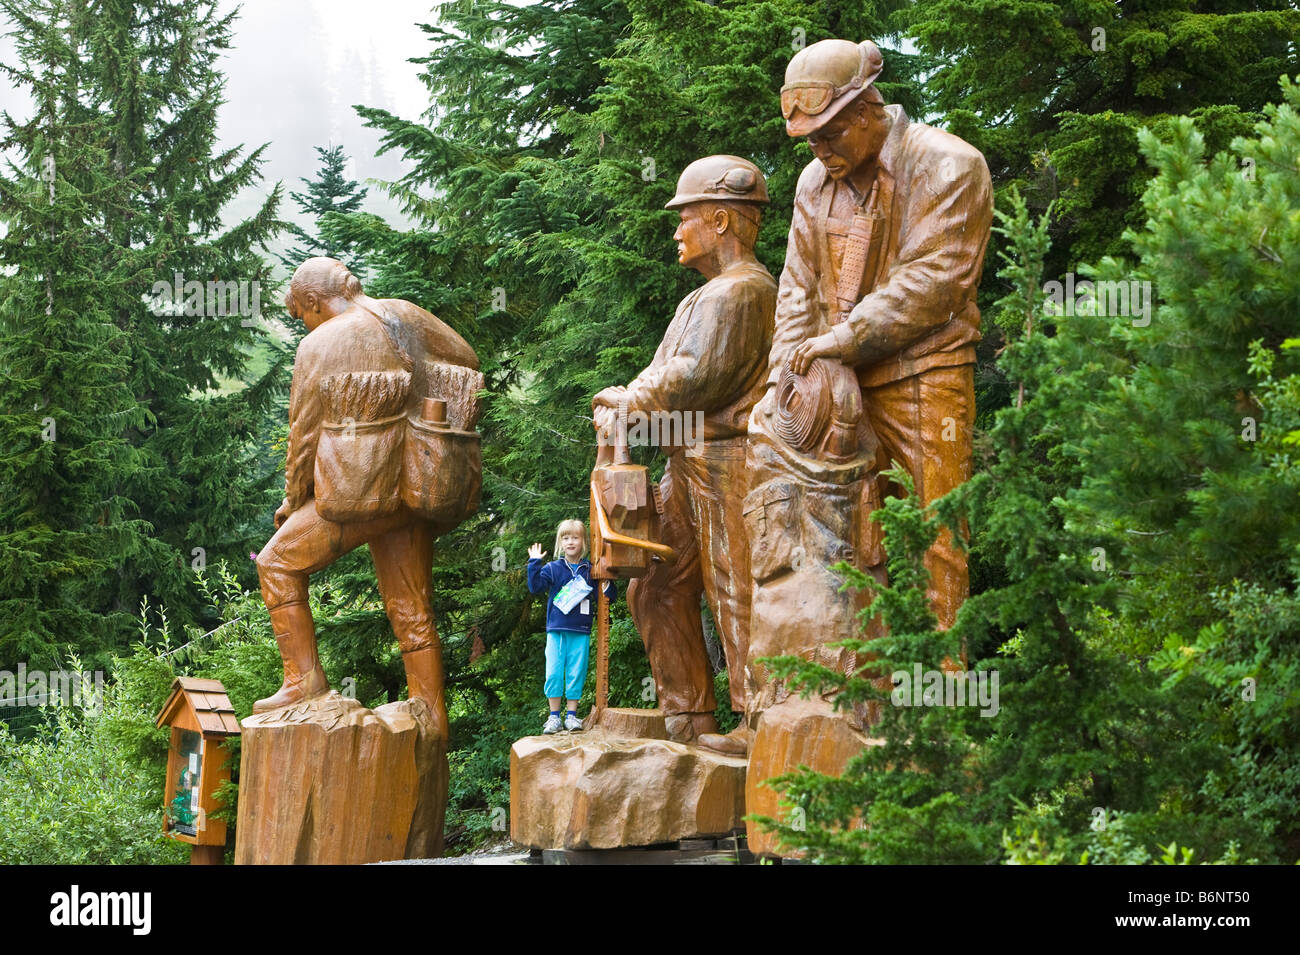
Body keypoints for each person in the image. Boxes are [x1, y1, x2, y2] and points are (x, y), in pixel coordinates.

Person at [770, 38, 993, 632]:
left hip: (922, 380)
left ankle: (937, 705)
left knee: (932, 539)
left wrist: (843, 338)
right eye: (810, 140)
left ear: (868, 108)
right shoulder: (813, 184)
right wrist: (782, 380)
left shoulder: (949, 164)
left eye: (830, 133)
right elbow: (796, 287)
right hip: (831, 390)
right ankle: (855, 704)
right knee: (839, 542)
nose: (820, 150)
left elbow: (935, 281)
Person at [592, 155, 777, 753]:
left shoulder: (745, 292)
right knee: (655, 582)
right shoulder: (702, 297)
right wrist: (630, 405)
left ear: (721, 220)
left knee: (736, 584)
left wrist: (628, 399)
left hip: (731, 461)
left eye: (685, 218)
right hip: (685, 460)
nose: (676, 230)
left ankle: (759, 721)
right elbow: (665, 376)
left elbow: (696, 377)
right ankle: (688, 716)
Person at [253, 257, 479, 741]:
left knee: (276, 563)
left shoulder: (322, 341)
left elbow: (303, 434)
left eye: (300, 315)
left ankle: (303, 680)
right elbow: (467, 357)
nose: (303, 324)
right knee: (413, 608)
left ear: (313, 302)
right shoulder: (407, 314)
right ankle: (431, 715)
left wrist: (294, 501)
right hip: (418, 482)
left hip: (362, 490)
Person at [527, 520, 616, 734]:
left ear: (583, 541)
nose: (570, 542)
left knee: (577, 671)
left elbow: (607, 598)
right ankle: (554, 717)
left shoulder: (591, 570)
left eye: (575, 537)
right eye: (565, 538)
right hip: (556, 630)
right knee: (554, 673)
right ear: (560, 542)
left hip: (581, 630)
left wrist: (608, 582)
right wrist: (534, 563)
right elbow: (535, 587)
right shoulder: (554, 568)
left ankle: (572, 716)